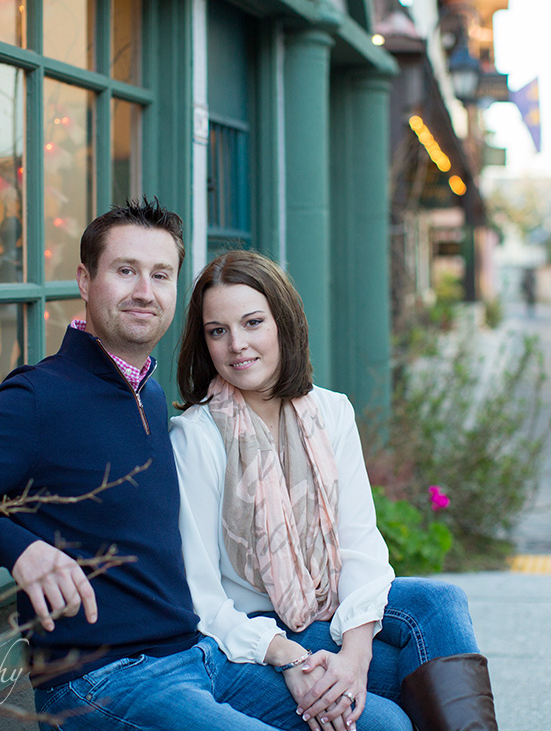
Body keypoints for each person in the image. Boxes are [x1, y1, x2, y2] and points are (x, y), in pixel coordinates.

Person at [0, 201, 314, 731]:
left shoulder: (149, 392)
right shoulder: (38, 399)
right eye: (125, 271)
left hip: (197, 657)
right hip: (100, 679)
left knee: (378, 715)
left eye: (160, 275)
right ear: (85, 280)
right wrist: (18, 548)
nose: (144, 292)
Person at [171, 250, 499, 731]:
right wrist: (287, 657)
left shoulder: (330, 412)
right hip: (248, 640)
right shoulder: (196, 437)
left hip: (324, 615)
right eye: (217, 330)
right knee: (391, 721)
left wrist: (355, 656)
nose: (236, 345)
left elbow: (359, 547)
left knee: (439, 603)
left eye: (253, 323)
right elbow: (200, 597)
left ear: (283, 323)